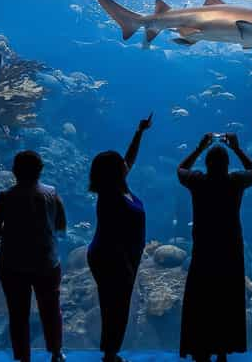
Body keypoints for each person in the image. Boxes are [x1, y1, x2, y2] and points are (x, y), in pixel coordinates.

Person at [177, 133, 252, 362]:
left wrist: (199, 147)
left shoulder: (198, 181)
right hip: (230, 250)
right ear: (227, 164)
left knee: (201, 300)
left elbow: (180, 169)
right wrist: (238, 148)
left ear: (206, 163)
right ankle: (223, 349)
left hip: (204, 250)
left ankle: (200, 349)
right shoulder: (235, 181)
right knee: (227, 300)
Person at [0, 151, 67, 362]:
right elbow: (60, 225)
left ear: (15, 171)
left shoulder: (5, 196)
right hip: (47, 262)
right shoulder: (52, 193)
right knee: (50, 310)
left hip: (13, 264)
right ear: (41, 170)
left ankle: (23, 357)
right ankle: (57, 352)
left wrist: (12, 230)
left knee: (18, 313)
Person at [88, 114, 153, 362]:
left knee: (118, 304)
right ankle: (110, 354)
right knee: (115, 306)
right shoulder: (110, 195)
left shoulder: (118, 187)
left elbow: (130, 159)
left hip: (120, 257)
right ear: (115, 172)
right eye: (121, 165)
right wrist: (125, 262)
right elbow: (114, 236)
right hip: (112, 257)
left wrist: (140, 132)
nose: (125, 166)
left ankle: (110, 351)